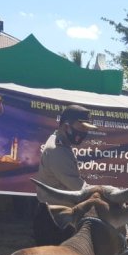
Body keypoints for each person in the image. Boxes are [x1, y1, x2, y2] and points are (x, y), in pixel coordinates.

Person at [33, 105, 96, 245]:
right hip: (54, 219)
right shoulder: (58, 150)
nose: (84, 133)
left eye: (86, 129)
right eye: (82, 128)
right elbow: (78, 188)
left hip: (58, 214)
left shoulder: (61, 143)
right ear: (66, 126)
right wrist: (104, 193)